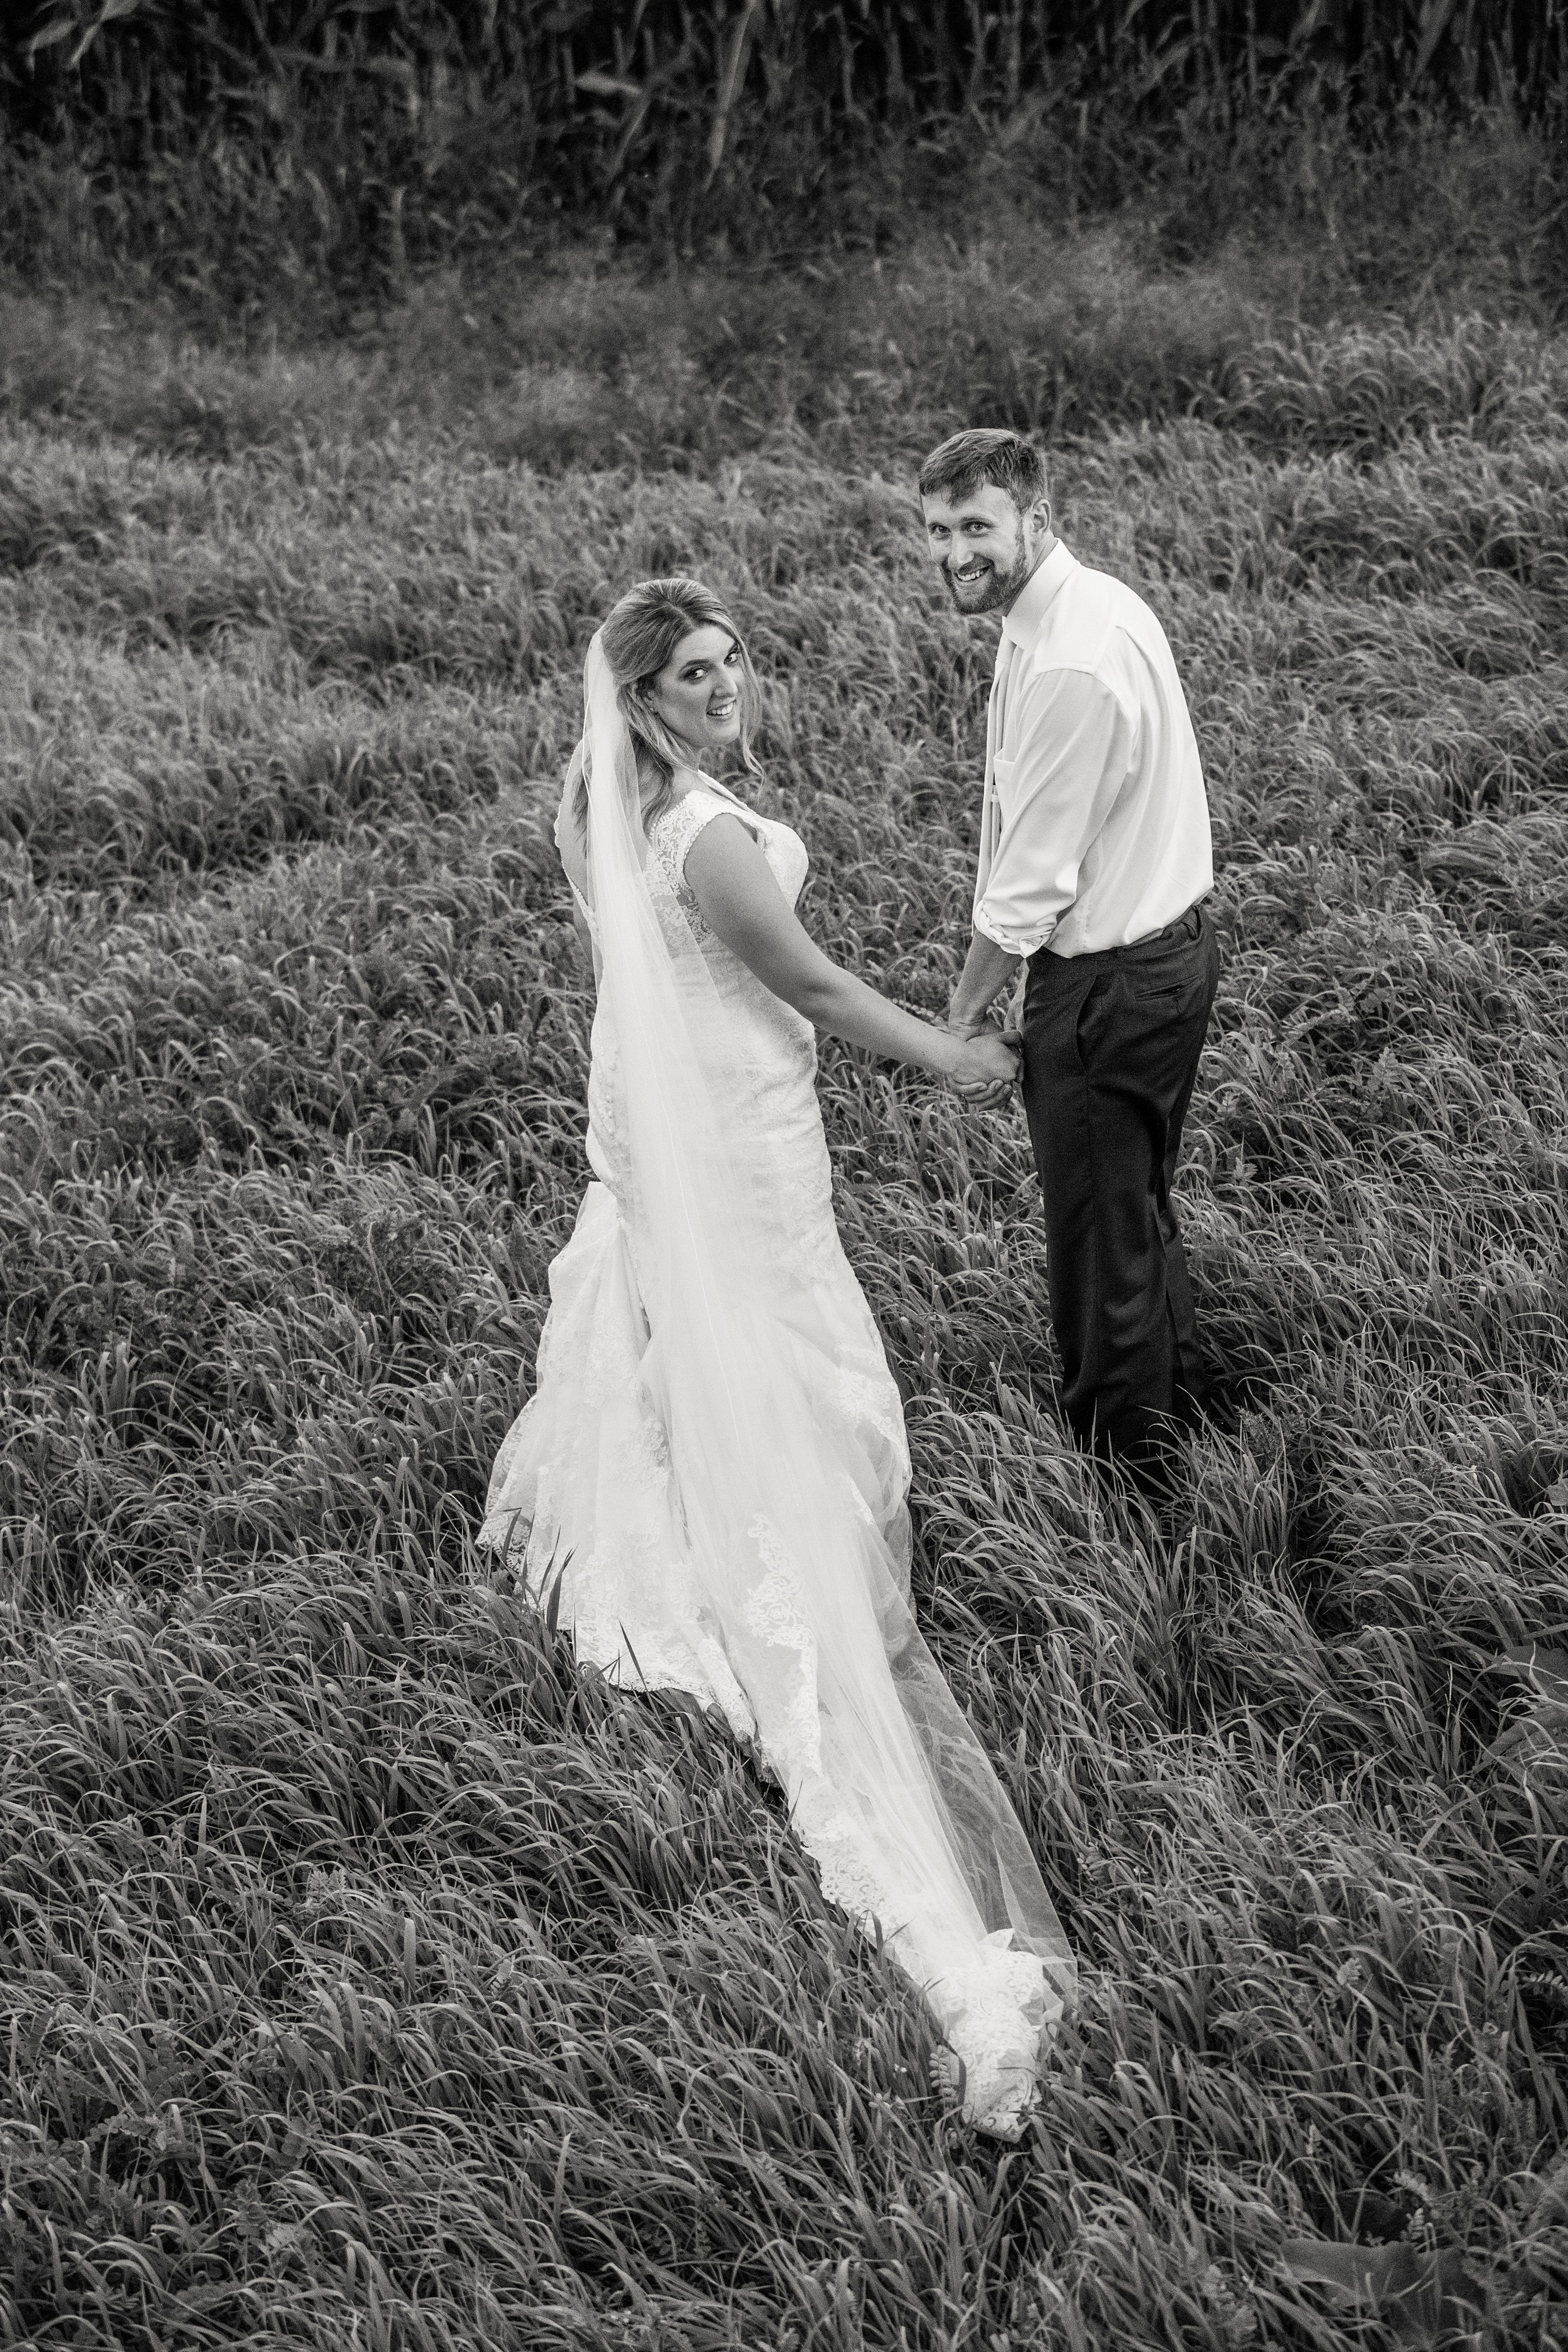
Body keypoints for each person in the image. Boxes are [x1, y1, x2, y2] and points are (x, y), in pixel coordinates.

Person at [481, 576, 1074, 2137]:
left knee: (690, 1326)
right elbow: (803, 983)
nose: (730, 684)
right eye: (696, 670)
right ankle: (780, 1539)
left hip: (664, 1120)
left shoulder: (591, 798)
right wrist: (951, 1052)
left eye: (737, 658)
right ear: (646, 695)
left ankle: (704, 1481)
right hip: (741, 1137)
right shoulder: (707, 838)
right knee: (790, 1356)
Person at [921, 428, 1219, 1512]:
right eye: (941, 530)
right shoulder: (1069, 610)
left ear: (1033, 518)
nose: (957, 551)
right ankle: (1180, 1405)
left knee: (1096, 1245)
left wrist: (960, 1020)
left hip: (1110, 986)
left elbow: (1027, 890)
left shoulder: (1070, 662)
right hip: (1164, 956)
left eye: (978, 527)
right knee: (1132, 1207)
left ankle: (1127, 1488)